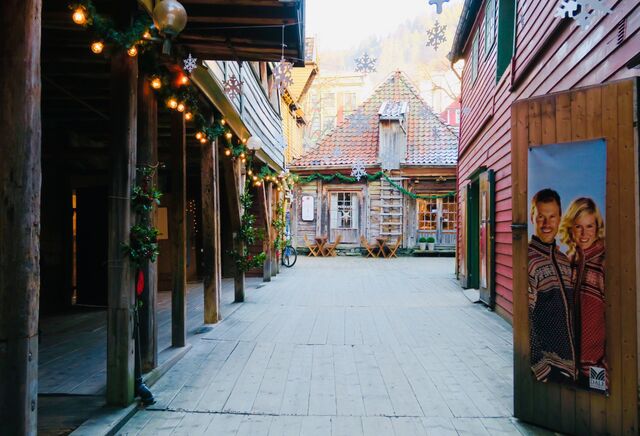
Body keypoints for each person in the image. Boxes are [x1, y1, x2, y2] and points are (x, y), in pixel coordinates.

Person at [528, 189, 576, 382]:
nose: (547, 224)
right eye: (541, 217)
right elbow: (525, 317)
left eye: (552, 217)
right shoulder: (530, 261)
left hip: (570, 365)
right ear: (532, 217)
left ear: (559, 218)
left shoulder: (564, 261)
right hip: (549, 368)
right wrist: (541, 366)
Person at [559, 197, 606, 385]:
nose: (584, 233)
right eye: (578, 226)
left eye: (589, 226)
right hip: (571, 363)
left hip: (598, 363)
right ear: (571, 228)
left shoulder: (604, 263)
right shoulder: (569, 261)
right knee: (572, 406)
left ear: (597, 228)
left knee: (597, 399)